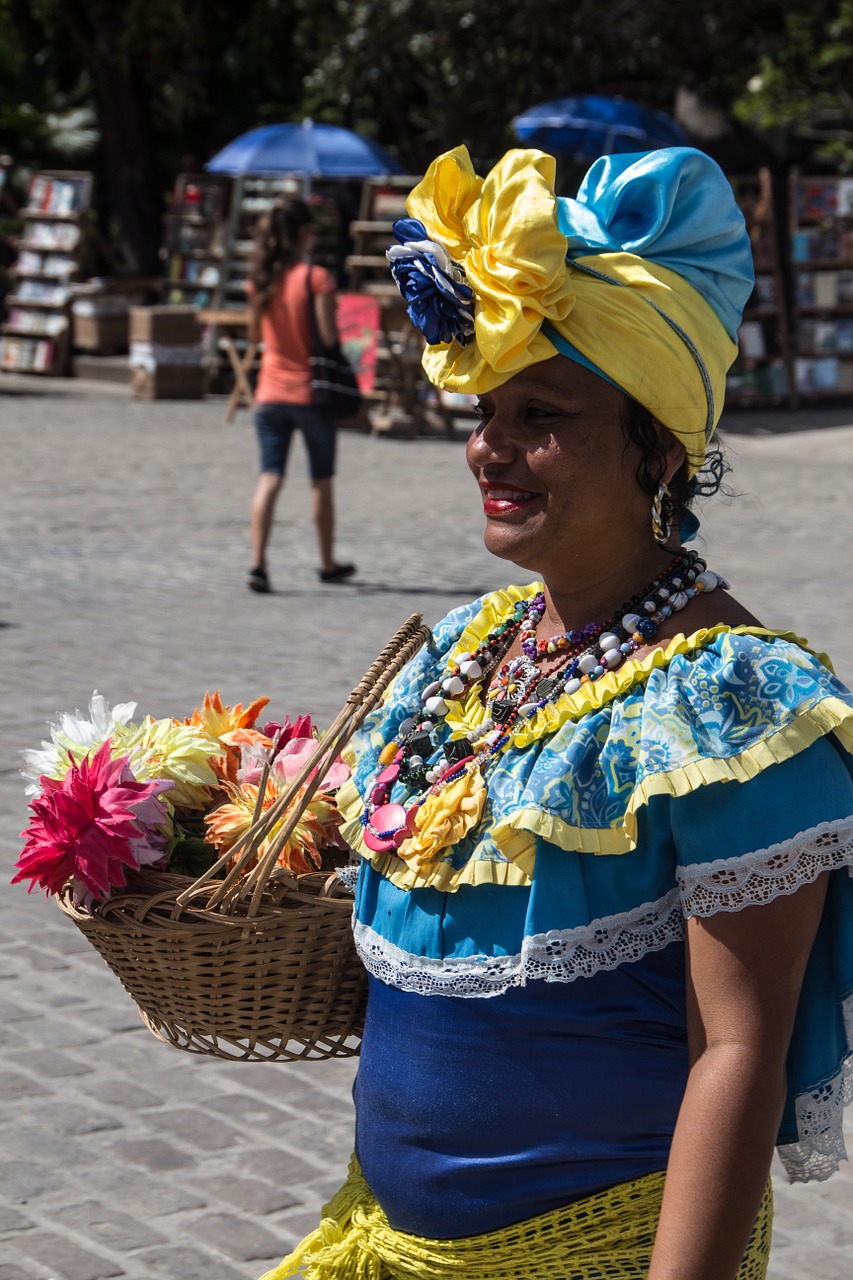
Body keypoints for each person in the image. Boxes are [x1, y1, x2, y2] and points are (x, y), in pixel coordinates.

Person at [263, 147, 853, 1279]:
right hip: (380, 1239)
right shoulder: (462, 652)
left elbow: (737, 1049)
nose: (490, 445)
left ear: (657, 449)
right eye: (487, 410)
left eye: (542, 413)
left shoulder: (731, 710)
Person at [246, 195, 355, 593]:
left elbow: (256, 337)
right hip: (310, 393)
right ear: (305, 233)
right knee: (320, 479)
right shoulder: (317, 279)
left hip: (269, 391)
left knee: (269, 476)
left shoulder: (261, 279)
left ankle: (258, 563)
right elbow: (327, 337)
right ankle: (326, 562)